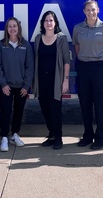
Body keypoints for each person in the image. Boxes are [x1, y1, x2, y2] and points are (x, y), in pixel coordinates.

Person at [72, 0, 103, 150]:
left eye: (93, 9)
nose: (91, 12)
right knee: (85, 103)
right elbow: (77, 48)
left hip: (100, 68)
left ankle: (101, 137)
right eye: (88, 10)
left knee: (100, 104)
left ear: (98, 10)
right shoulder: (78, 28)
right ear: (84, 11)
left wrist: (100, 63)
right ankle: (87, 135)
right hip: (83, 67)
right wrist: (86, 60)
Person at [0, 17, 34, 152]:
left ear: (18, 28)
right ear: (6, 29)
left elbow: (30, 67)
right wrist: (3, 84)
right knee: (5, 111)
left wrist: (26, 85)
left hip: (21, 87)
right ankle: (4, 137)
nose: (12, 28)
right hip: (6, 87)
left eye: (14, 26)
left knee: (19, 111)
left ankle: (14, 134)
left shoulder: (26, 45)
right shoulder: (1, 45)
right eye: (9, 26)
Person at [33, 11, 70, 150]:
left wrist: (65, 80)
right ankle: (51, 134)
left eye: (51, 20)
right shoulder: (38, 39)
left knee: (55, 109)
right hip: (41, 79)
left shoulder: (61, 39)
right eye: (46, 20)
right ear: (43, 23)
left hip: (56, 80)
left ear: (55, 23)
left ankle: (58, 138)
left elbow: (67, 61)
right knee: (44, 108)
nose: (49, 23)